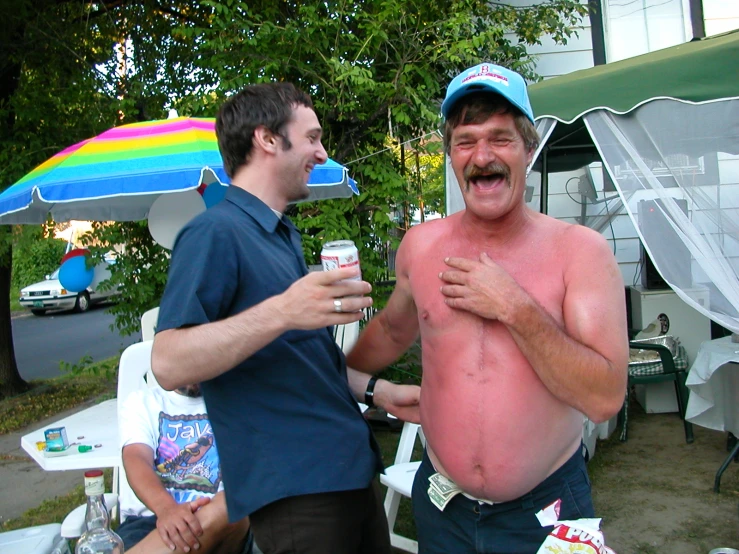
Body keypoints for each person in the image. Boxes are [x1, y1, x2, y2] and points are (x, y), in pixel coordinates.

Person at [345, 62, 630, 552]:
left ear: (529, 147)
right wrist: (338, 376)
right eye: (465, 140)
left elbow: (604, 398)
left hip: (547, 510)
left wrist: (515, 306)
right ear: (450, 155)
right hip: (442, 507)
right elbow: (393, 331)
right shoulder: (420, 245)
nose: (482, 156)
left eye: (500, 138)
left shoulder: (580, 252)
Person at [151, 82, 420, 554]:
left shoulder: (281, 234)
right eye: (313, 137)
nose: (321, 151)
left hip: (346, 469)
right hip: (297, 490)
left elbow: (298, 357)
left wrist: (381, 391)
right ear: (268, 139)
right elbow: (169, 362)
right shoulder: (214, 232)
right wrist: (282, 311)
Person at [118, 383, 254, 554]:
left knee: (231, 506)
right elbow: (136, 459)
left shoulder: (237, 402)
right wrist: (167, 509)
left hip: (223, 528)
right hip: (150, 522)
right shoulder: (144, 402)